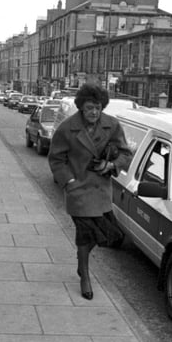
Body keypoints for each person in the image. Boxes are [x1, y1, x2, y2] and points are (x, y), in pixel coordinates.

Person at [48, 84, 132, 300]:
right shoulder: (67, 128)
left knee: (109, 235)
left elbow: (125, 154)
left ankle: (80, 262)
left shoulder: (112, 126)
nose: (94, 112)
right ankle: (85, 275)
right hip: (79, 190)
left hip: (101, 190)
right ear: (81, 107)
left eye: (98, 107)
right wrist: (69, 181)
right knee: (85, 234)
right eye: (89, 108)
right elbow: (56, 159)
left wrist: (112, 166)